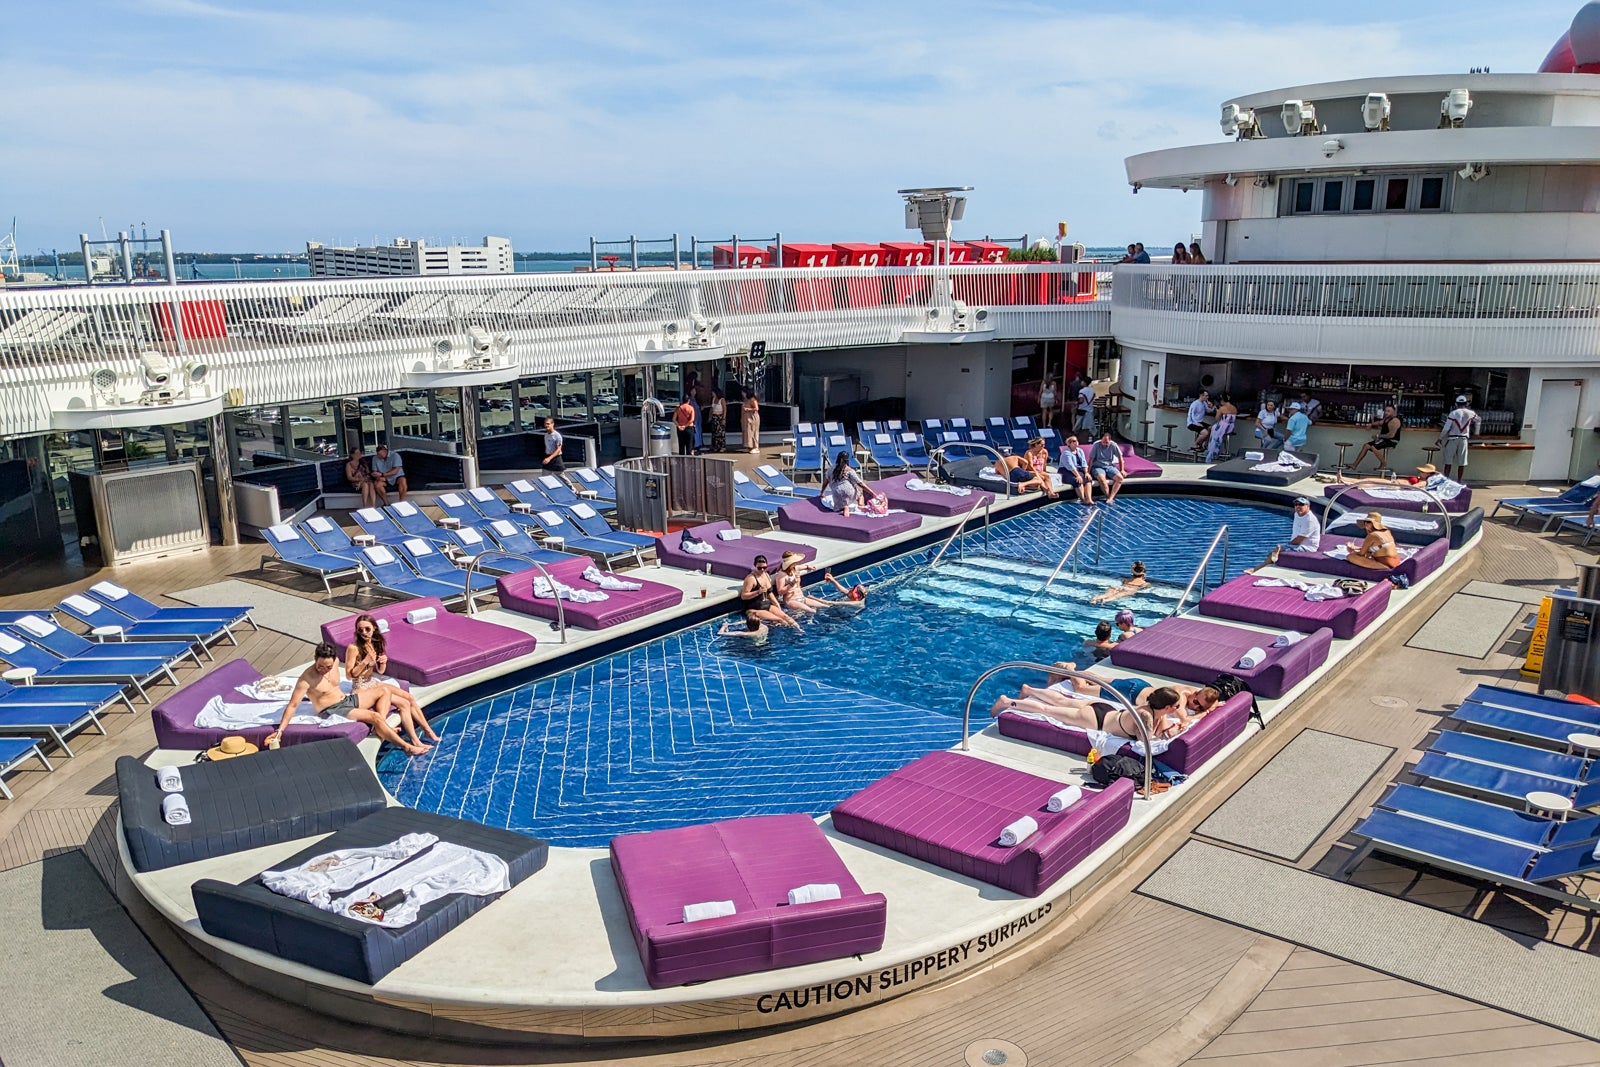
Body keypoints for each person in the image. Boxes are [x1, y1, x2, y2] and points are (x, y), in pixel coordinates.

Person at [266, 643, 427, 756]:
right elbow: (293, 705)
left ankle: (381, 728)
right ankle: (407, 747)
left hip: (347, 700)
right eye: (320, 666)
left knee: (384, 690)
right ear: (315, 659)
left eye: (328, 667)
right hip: (333, 709)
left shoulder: (335, 661)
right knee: (375, 717)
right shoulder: (306, 679)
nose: (324, 670)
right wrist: (279, 732)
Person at [344, 614, 438, 749]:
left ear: (374, 628)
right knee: (403, 703)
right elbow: (349, 675)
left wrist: (383, 662)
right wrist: (365, 662)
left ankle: (427, 731)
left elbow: (380, 671)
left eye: (367, 629)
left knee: (409, 698)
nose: (364, 633)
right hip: (360, 687)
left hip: (372, 682)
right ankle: (415, 741)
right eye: (360, 630)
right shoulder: (354, 648)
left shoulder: (374, 643)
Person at [1253, 496, 1321, 570]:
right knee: (1273, 552)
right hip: (1297, 544)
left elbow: (1299, 539)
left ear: (1308, 506)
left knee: (1276, 551)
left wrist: (1286, 546)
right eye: (1296, 504)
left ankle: (1257, 569)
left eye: (1301, 504)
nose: (1298, 506)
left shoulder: (1310, 520)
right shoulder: (1297, 514)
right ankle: (1263, 567)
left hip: (1307, 548)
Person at [738, 556, 802, 630]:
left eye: (764, 568)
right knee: (779, 620)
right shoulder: (751, 579)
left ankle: (799, 630)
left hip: (767, 605)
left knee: (786, 617)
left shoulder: (766, 575)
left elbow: (769, 592)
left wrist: (776, 603)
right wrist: (757, 592)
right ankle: (788, 633)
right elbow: (743, 596)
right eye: (759, 568)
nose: (762, 570)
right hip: (755, 609)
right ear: (755, 566)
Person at [774, 551, 836, 615]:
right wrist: (792, 583)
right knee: (812, 611)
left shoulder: (795, 569)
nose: (795, 563)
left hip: (802, 598)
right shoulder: (781, 575)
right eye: (794, 562)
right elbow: (780, 592)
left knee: (825, 606)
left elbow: (803, 566)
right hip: (791, 600)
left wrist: (808, 567)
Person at [1437, 394, 1480, 484]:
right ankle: (1459, 481)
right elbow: (1478, 420)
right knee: (1462, 462)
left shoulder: (1453, 413)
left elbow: (1446, 427)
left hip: (1453, 438)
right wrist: (1476, 432)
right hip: (1463, 439)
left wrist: (1440, 438)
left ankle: (1446, 480)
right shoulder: (1471, 413)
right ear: (1466, 403)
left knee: (1448, 461)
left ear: (1456, 404)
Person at [1351, 404, 1402, 471]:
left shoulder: (1395, 421)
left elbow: (1391, 435)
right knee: (1366, 446)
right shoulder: (1386, 419)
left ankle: (1383, 463)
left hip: (1392, 440)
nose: (1386, 412)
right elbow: (1379, 423)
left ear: (1393, 412)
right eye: (1385, 411)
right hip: (1384, 439)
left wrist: (1378, 436)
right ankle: (1354, 465)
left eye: (1389, 411)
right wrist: (1371, 424)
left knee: (1374, 447)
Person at [1088, 430, 1126, 503]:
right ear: (1101, 439)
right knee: (1102, 480)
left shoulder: (1113, 445)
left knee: (1120, 478)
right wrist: (1088, 472)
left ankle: (1111, 497)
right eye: (1104, 442)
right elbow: (1091, 459)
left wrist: (1122, 470)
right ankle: (1108, 496)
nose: (1105, 444)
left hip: (1109, 466)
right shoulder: (1096, 445)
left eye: (1107, 442)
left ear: (1110, 440)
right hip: (1097, 466)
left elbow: (1120, 458)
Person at [1056, 434, 1095, 505]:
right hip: (1066, 471)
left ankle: (1089, 499)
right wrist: (1078, 475)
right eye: (1073, 441)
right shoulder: (1066, 453)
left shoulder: (1080, 451)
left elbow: (1084, 463)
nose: (1076, 442)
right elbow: (1070, 466)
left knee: (1088, 479)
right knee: (1077, 480)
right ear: (1069, 444)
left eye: (1076, 441)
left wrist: (1086, 472)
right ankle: (1083, 499)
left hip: (1077, 470)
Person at [1205, 394, 1237, 463]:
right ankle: (1224, 451)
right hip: (1230, 427)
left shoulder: (1222, 408)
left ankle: (1211, 451)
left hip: (1223, 426)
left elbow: (1217, 418)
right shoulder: (1234, 408)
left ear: (1222, 401)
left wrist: (1217, 411)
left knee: (1213, 429)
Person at [705, 387, 728, 452]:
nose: (712, 394)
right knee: (714, 432)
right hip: (714, 417)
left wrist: (723, 418)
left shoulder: (722, 400)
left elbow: (724, 409)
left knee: (720, 432)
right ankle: (715, 446)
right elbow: (711, 408)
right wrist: (710, 417)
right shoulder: (714, 399)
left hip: (720, 417)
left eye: (713, 393)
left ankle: (722, 446)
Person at [741, 387, 761, 454]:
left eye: (743, 392)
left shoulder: (753, 399)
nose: (742, 394)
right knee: (747, 432)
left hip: (752, 418)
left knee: (753, 431)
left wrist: (748, 409)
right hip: (746, 418)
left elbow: (756, 408)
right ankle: (749, 446)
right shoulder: (745, 400)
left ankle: (755, 447)